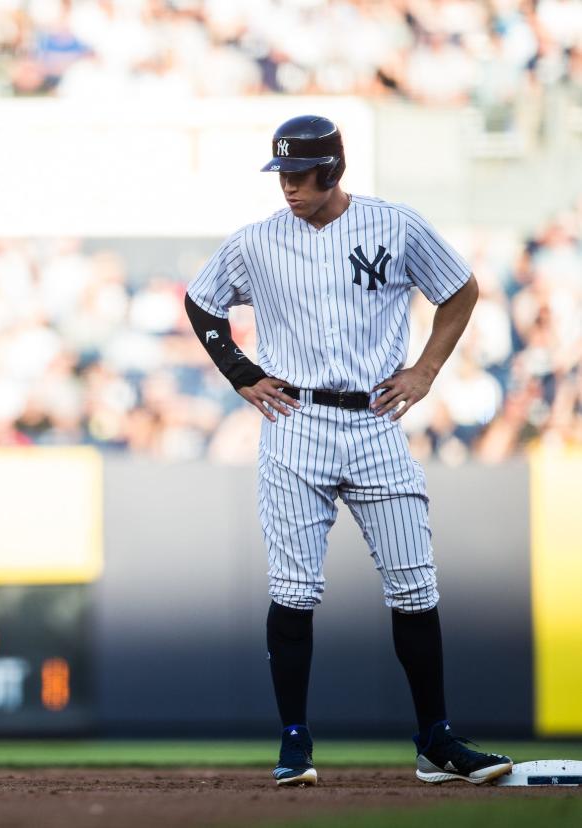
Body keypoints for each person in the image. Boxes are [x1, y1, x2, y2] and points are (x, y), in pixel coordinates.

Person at [183, 116, 512, 787]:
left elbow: (461, 289)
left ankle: (436, 740)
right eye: (283, 176)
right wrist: (241, 372)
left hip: (373, 418)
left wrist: (425, 371)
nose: (290, 189)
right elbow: (200, 301)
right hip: (295, 417)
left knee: (415, 583)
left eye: (301, 176)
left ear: (333, 171)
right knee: (294, 590)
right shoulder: (257, 241)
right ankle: (295, 740)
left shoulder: (395, 224)